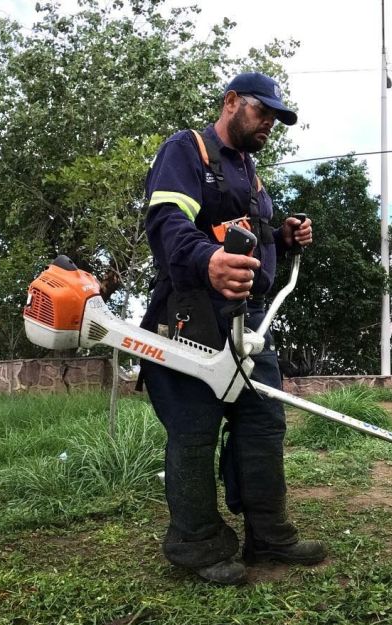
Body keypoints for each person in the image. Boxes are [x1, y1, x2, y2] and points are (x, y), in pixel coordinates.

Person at [139, 72, 325, 585]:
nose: (269, 123)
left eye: (275, 117)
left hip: (251, 322)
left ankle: (269, 534)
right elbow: (168, 224)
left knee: (262, 425)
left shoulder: (250, 173)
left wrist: (283, 237)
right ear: (230, 103)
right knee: (194, 431)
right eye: (261, 112)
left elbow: (248, 241)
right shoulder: (187, 150)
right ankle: (195, 544)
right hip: (190, 314)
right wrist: (207, 262)